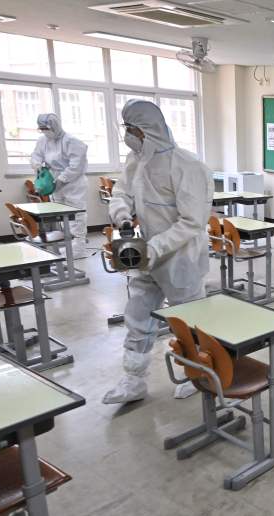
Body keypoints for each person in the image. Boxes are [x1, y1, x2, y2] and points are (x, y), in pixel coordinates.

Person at [102, 100, 213, 405]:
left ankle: (197, 371)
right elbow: (121, 191)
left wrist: (157, 247)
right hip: (144, 256)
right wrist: (121, 212)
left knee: (186, 320)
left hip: (180, 259)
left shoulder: (188, 166)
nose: (128, 135)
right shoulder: (136, 161)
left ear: (149, 130)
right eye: (126, 129)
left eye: (132, 129)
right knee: (138, 315)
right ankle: (134, 380)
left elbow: (192, 222)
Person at [30, 113, 89, 258]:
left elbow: (76, 166)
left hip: (74, 183)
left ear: (55, 126)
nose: (44, 131)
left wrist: (62, 180)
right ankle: (69, 245)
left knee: (76, 215)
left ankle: (79, 248)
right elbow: (36, 155)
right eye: (41, 128)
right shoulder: (43, 141)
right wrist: (37, 165)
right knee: (62, 215)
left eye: (46, 128)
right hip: (54, 180)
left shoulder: (72, 141)